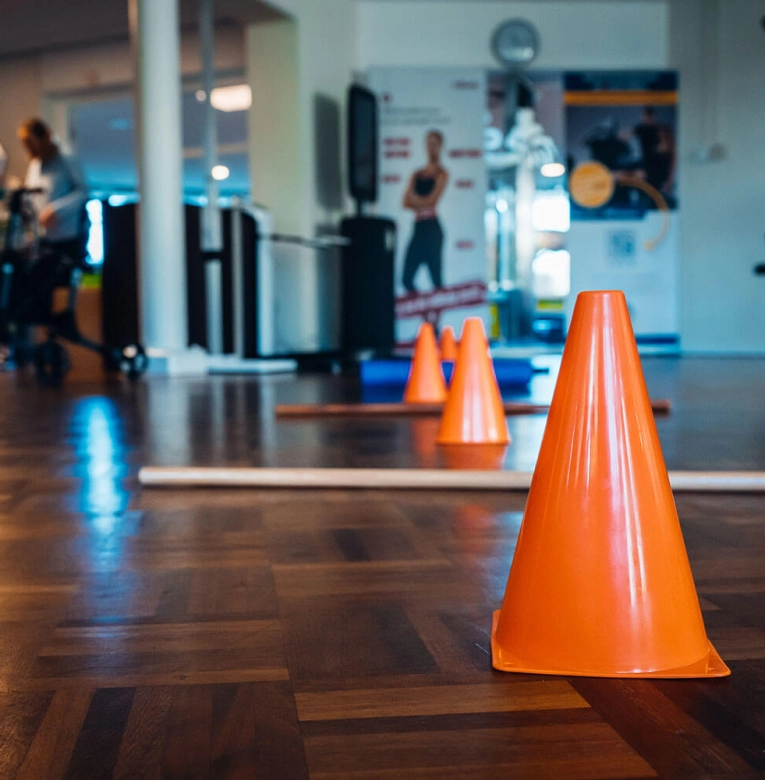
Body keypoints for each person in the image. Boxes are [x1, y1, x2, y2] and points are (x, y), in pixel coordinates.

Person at [17, 118, 88, 262]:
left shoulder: (67, 161)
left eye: (31, 142)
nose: (28, 147)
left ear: (43, 138)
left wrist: (56, 210)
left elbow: (83, 192)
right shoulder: (35, 165)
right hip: (41, 238)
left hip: (67, 238)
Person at [401, 130, 449, 294]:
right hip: (418, 227)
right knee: (406, 279)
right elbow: (406, 201)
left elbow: (432, 200)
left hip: (432, 229)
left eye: (435, 144)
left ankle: (437, 317)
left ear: (440, 146)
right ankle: (423, 311)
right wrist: (422, 202)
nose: (431, 147)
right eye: (429, 143)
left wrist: (417, 201)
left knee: (436, 280)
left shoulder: (442, 173)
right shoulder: (417, 174)